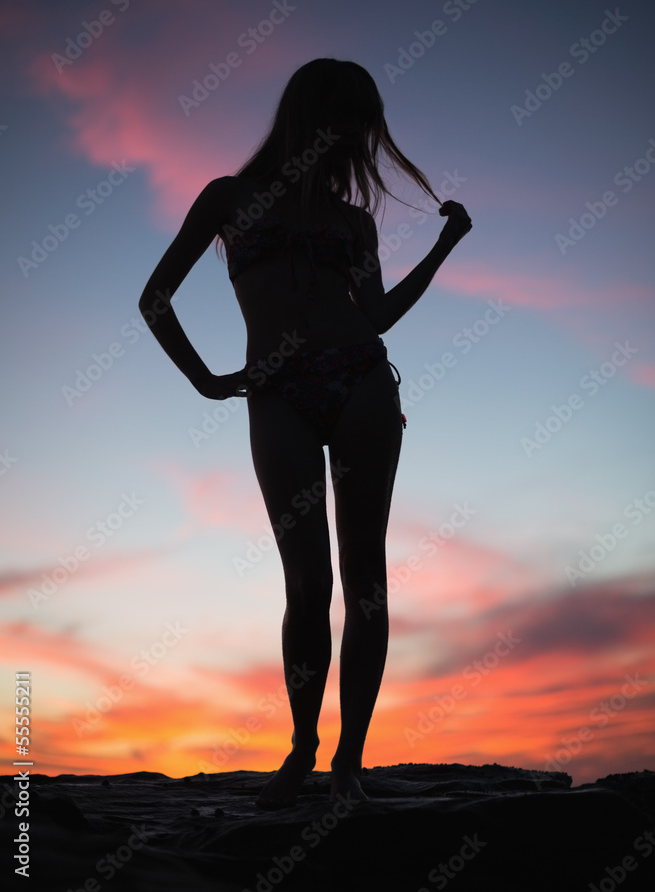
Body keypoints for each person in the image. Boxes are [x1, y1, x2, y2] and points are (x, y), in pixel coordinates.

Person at [138, 57, 472, 809]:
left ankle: (348, 762)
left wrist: (445, 249)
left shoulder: (351, 221)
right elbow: (155, 296)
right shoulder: (229, 197)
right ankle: (302, 747)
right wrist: (203, 377)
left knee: (367, 581)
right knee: (307, 583)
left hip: (360, 382)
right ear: (306, 115)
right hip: (278, 392)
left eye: (361, 121)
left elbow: (377, 315)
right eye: (342, 116)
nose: (353, 135)